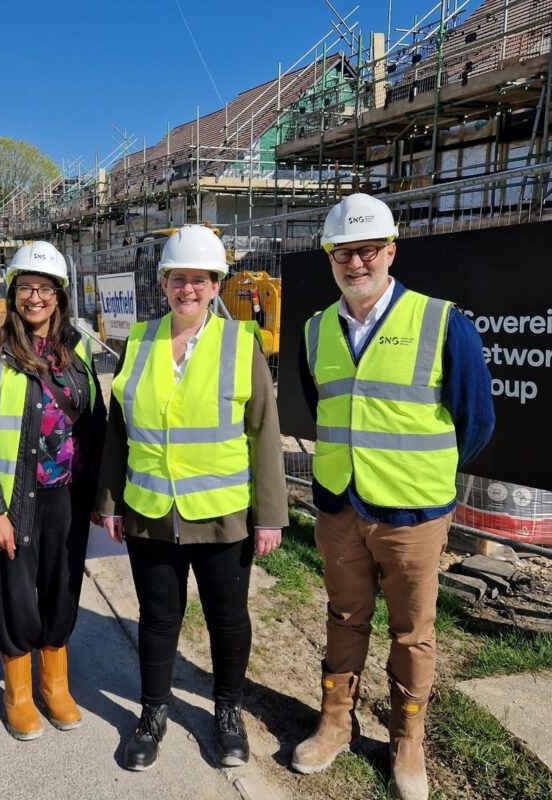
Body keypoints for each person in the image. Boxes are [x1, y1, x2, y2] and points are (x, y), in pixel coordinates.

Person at [292, 194, 494, 800]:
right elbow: (322, 403)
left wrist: (418, 477)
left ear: (390, 252)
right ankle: (335, 723)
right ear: (330, 258)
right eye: (343, 252)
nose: (356, 263)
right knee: (344, 617)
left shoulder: (442, 321)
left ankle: (407, 740)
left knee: (413, 632)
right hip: (338, 505)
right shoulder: (314, 329)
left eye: (368, 250)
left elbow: (475, 422)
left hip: (412, 515)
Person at [96, 224, 288, 771]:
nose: (188, 289)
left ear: (215, 285)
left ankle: (228, 712)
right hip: (151, 512)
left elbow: (263, 432)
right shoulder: (139, 340)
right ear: (163, 282)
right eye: (178, 278)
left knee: (229, 618)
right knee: (158, 619)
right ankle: (152, 714)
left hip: (223, 517)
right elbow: (119, 431)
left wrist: (270, 516)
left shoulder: (240, 343)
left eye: (199, 280)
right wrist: (109, 503)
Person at [0, 240, 106, 740]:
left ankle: (55, 684)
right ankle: (18, 691)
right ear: (13, 293)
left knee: (63, 588)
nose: (35, 298)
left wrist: (100, 497)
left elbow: (96, 425)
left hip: (67, 496)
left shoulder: (79, 350)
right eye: (26, 288)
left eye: (45, 288)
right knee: (15, 597)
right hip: (12, 500)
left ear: (61, 296)